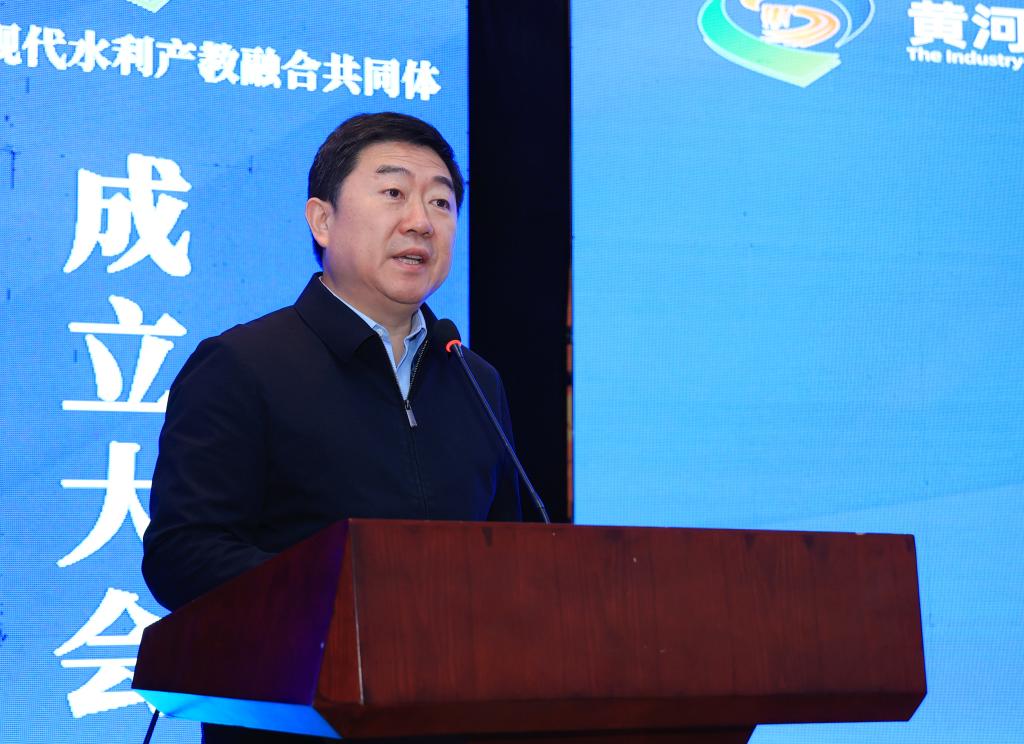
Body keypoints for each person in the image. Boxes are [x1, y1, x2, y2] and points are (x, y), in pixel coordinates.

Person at [142, 113, 521, 743]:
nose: (421, 222)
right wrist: (357, 604)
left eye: (441, 202)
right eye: (393, 192)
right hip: (291, 722)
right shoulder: (242, 365)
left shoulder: (476, 380)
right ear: (322, 220)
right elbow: (183, 555)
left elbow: (510, 560)